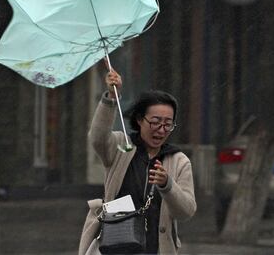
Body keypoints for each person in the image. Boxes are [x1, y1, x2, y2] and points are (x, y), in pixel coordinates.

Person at [79, 66, 196, 255]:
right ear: (140, 120)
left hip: (155, 249)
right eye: (155, 122)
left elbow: (186, 211)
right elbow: (97, 138)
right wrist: (110, 97)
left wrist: (167, 185)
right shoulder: (121, 146)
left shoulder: (179, 161)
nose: (161, 129)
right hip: (114, 245)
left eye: (168, 124)